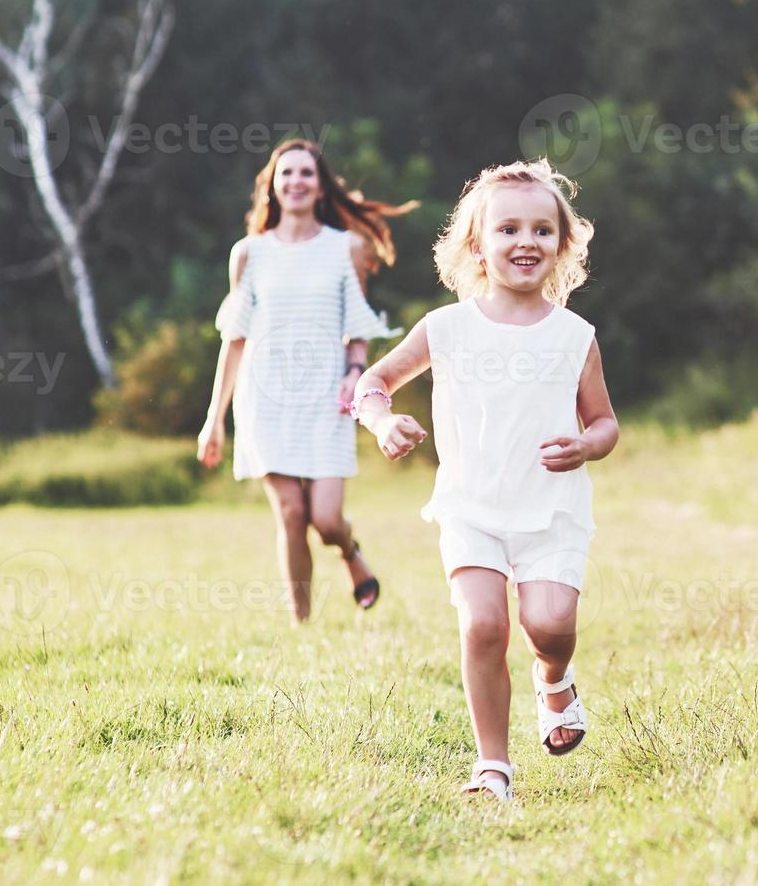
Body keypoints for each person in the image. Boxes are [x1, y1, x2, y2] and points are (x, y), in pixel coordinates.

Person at [351, 160, 618, 801]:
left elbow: (606, 422)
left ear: (562, 245)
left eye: (541, 230)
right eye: (507, 230)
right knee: (484, 625)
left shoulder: (575, 337)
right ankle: (492, 766)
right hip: (471, 508)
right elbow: (371, 384)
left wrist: (585, 445)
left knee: (550, 627)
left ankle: (554, 680)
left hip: (551, 512)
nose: (525, 242)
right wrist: (383, 424)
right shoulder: (446, 328)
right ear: (478, 243)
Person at [197, 138, 417, 623]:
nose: (296, 181)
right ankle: (303, 626)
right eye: (286, 173)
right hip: (264, 397)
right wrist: (214, 420)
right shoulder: (248, 253)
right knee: (292, 514)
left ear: (321, 187)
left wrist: (356, 372)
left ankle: (349, 550)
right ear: (272, 187)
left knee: (325, 517)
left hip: (325, 396)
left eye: (306, 173)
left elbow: (357, 328)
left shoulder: (348, 248)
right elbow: (233, 339)